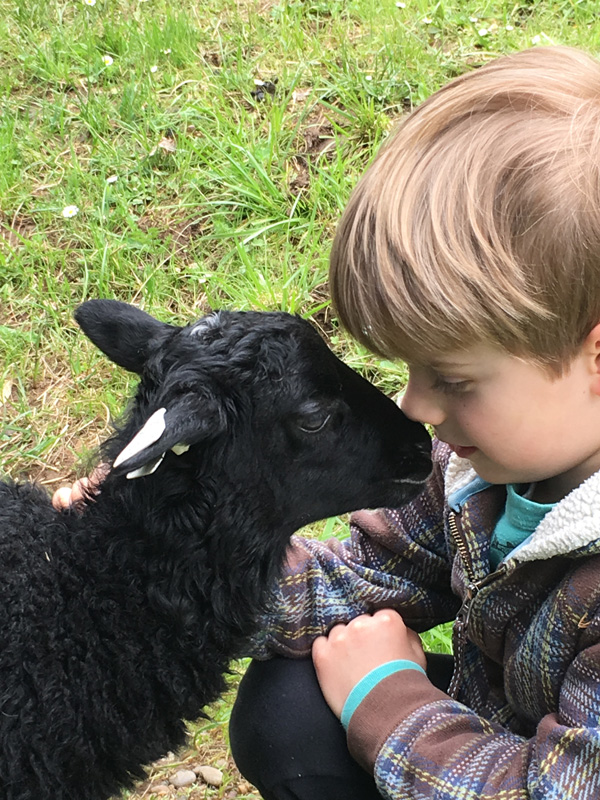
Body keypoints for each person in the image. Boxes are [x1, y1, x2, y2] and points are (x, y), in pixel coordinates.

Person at [55, 45, 600, 799]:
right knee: (287, 710)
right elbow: (373, 574)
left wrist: (389, 698)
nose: (414, 407)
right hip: (497, 730)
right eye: (410, 370)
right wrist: (160, 560)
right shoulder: (487, 460)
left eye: (454, 379)